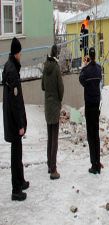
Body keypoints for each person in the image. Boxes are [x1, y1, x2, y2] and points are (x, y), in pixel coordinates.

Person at [2, 37, 29, 201]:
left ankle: (21, 180)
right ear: (16, 53)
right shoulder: (12, 71)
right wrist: (20, 124)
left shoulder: (9, 67)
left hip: (12, 119)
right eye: (20, 52)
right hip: (14, 122)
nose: (21, 55)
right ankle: (16, 190)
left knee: (18, 153)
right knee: (15, 155)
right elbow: (15, 102)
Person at [42, 45, 64, 180]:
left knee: (49, 136)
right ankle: (53, 169)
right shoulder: (56, 68)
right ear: (56, 54)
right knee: (54, 138)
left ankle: (49, 163)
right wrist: (59, 99)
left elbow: (43, 86)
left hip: (47, 105)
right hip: (55, 105)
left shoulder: (45, 67)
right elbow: (61, 88)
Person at [79, 48, 102, 174]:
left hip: (89, 105)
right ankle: (98, 162)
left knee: (91, 135)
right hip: (97, 105)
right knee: (96, 135)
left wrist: (84, 66)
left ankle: (94, 164)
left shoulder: (86, 71)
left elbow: (81, 79)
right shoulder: (98, 69)